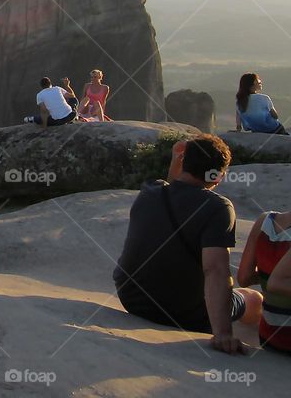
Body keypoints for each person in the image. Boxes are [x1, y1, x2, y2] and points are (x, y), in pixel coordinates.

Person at [112, 135, 263, 354]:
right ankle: (258, 346)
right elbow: (216, 270)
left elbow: (174, 191)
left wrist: (177, 160)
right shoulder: (217, 207)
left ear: (183, 163)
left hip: (132, 299)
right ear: (218, 176)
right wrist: (223, 334)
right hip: (184, 315)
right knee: (253, 298)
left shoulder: (150, 191)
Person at [238, 209, 291, 353]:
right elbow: (276, 282)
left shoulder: (265, 220)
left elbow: (244, 278)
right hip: (288, 340)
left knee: (252, 297)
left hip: (268, 335)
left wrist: (265, 273)